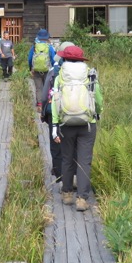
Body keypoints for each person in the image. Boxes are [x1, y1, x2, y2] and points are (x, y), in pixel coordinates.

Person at [51, 45, 102, 212]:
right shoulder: (90, 74)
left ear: (65, 58)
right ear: (81, 59)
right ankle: (82, 199)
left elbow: (55, 101)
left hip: (65, 123)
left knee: (67, 158)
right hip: (87, 123)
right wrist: (97, 113)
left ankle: (66, 194)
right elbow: (98, 99)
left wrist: (55, 124)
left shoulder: (60, 77)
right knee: (84, 161)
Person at [38, 41, 75, 183]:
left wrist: (42, 109)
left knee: (56, 144)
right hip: (73, 111)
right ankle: (74, 175)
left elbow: (44, 93)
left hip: (54, 111)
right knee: (73, 144)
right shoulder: (82, 71)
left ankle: (60, 175)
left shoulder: (53, 71)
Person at [28, 28, 56, 106]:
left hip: (36, 70)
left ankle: (39, 104)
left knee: (38, 88)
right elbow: (53, 59)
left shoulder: (34, 47)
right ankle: (46, 103)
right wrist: (54, 69)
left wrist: (31, 68)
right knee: (46, 87)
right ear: (47, 37)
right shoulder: (49, 47)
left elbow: (30, 58)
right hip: (47, 70)